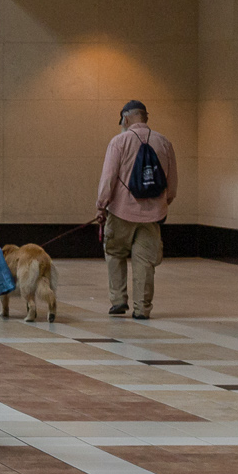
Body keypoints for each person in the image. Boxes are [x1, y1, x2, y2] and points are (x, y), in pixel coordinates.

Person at [95, 99, 178, 320]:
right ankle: (142, 308)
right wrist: (162, 204)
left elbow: (108, 177)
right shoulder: (164, 143)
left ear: (126, 118)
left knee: (114, 253)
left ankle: (119, 300)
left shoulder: (119, 142)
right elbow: (172, 183)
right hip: (153, 216)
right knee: (145, 262)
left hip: (121, 212)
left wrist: (101, 206)